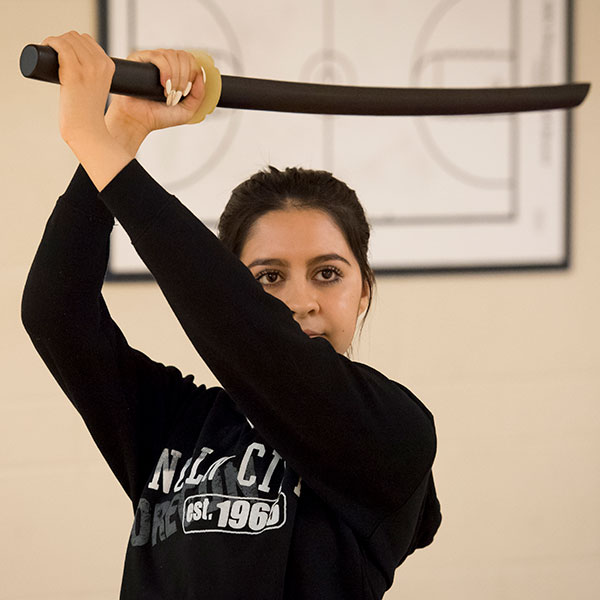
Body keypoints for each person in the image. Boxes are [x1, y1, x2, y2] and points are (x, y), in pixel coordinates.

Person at [21, 31, 441, 600]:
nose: (299, 300)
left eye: (328, 273)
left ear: (364, 290)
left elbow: (253, 339)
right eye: (268, 277)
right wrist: (120, 129)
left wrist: (94, 143)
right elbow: (56, 315)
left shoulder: (394, 432)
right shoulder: (176, 424)